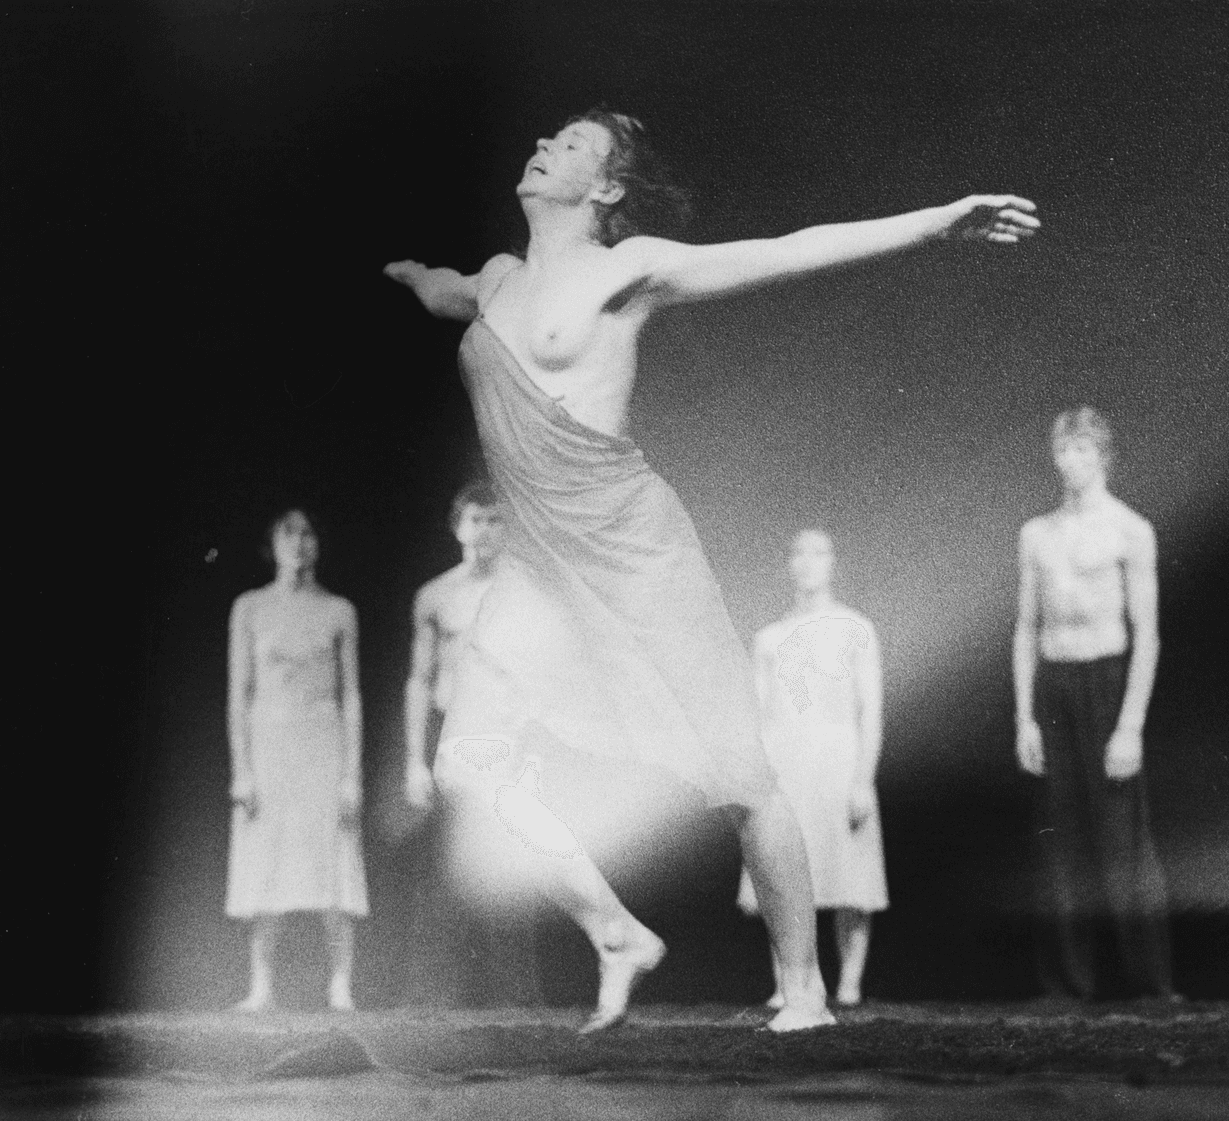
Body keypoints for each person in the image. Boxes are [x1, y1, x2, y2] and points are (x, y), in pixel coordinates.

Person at [385, 107, 1038, 1032]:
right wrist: (404, 272)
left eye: (571, 144)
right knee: (466, 762)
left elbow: (792, 247)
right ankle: (616, 931)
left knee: (740, 770)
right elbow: (445, 291)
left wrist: (941, 218)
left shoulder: (630, 267)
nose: (543, 145)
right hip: (538, 563)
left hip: (632, 545)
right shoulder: (495, 280)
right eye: (545, 137)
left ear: (606, 187)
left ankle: (803, 990)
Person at [1013, 407, 1176, 1001]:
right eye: (1063, 451)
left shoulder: (1130, 530)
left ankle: (1148, 984)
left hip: (1108, 682)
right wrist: (1024, 715)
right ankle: (1065, 984)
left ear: (1103, 457)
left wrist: (1129, 726)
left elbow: (1148, 634)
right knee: (1060, 842)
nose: (1071, 462)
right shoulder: (1037, 532)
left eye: (1082, 451)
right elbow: (1025, 628)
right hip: (1054, 681)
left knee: (1122, 841)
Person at [400, 481, 543, 1006]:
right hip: (450, 733)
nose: (484, 531)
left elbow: (536, 673)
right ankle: (428, 999)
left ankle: (519, 999)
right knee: (441, 868)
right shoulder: (436, 595)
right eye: (475, 520)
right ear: (458, 527)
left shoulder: (523, 591)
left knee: (511, 866)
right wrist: (414, 761)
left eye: (494, 520)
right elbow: (419, 679)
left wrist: (531, 747)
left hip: (505, 734)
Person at [226, 509, 369, 1011]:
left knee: (333, 859)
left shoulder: (339, 610)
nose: (300, 542)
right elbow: (238, 695)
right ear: (273, 544)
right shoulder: (249, 607)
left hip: (322, 742)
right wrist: (242, 770)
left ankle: (340, 985)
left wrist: (352, 776)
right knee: (264, 860)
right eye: (289, 533)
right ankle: (261, 985)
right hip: (268, 746)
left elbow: (351, 695)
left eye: (308, 532)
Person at [737, 530, 887, 1008]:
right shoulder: (769, 639)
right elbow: (758, 716)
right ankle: (787, 981)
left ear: (833, 563)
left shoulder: (855, 628)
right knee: (781, 874)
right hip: (787, 762)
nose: (807, 562)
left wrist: (863, 778)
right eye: (798, 552)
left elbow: (872, 709)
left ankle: (849, 983)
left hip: (839, 757)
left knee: (850, 874)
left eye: (818, 552)